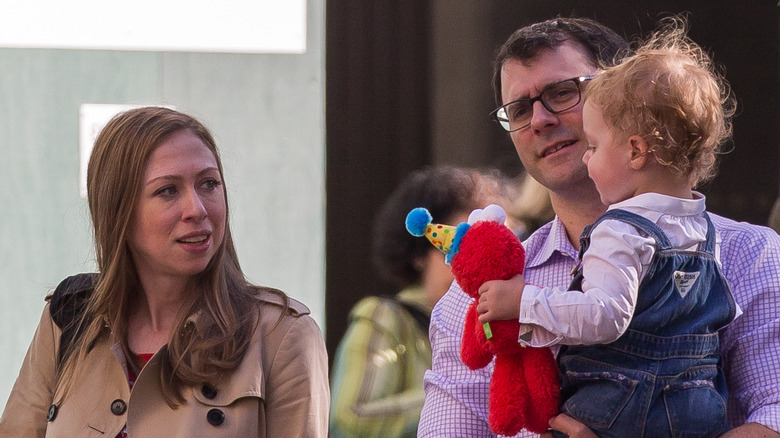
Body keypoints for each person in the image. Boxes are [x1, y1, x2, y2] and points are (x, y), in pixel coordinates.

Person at [418, 17, 780, 438]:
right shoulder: (474, 300)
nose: (539, 120)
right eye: (518, 109)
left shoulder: (750, 255)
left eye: (562, 92)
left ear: (626, 99)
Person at [0, 107, 330, 437]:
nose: (197, 209)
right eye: (168, 190)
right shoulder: (69, 319)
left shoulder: (281, 336)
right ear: (119, 212)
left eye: (209, 184)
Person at [329, 165, 510, 437]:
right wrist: (457, 392)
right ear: (418, 253)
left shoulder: (507, 316)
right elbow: (349, 419)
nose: (478, 263)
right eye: (460, 247)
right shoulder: (385, 315)